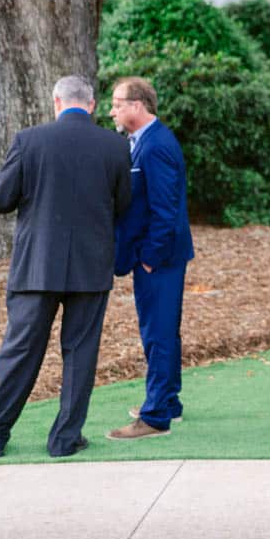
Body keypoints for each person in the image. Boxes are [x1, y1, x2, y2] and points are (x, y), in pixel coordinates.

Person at [0, 75, 132, 460]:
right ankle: (64, 439)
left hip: (36, 267)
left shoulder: (29, 140)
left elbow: (0, 199)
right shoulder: (115, 145)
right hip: (90, 266)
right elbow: (123, 203)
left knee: (20, 350)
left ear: (57, 103)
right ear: (92, 105)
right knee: (80, 354)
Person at [106, 77, 195, 441]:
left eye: (117, 102)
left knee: (157, 334)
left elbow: (166, 207)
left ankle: (156, 415)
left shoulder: (155, 145)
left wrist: (149, 258)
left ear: (138, 106)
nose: (112, 109)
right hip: (159, 257)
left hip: (160, 259)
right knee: (163, 332)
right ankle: (168, 402)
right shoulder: (144, 141)